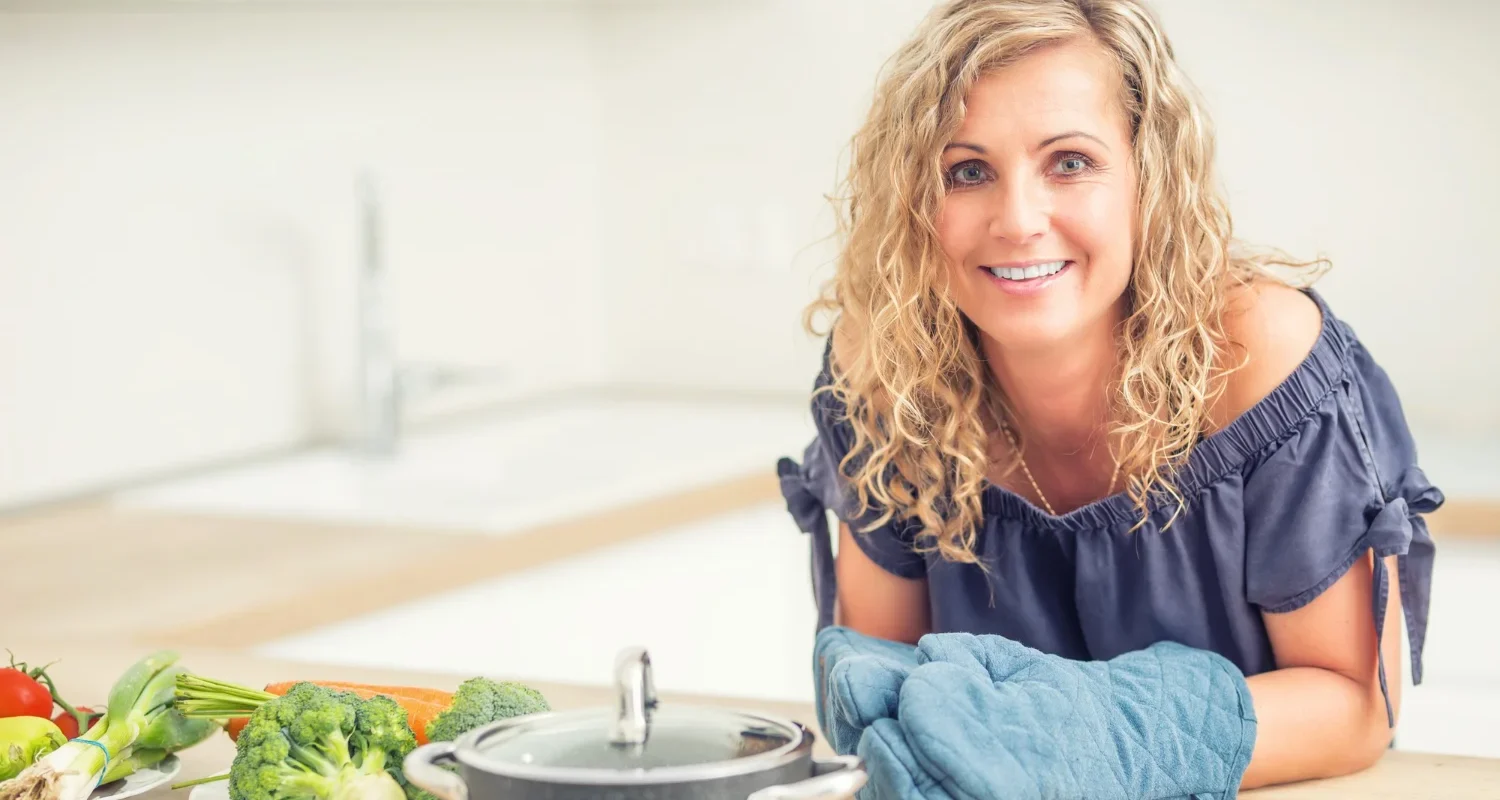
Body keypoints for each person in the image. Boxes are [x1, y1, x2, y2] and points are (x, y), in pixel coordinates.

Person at [776, 0, 1442, 795]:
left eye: (1069, 161)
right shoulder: (883, 368)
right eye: (968, 171)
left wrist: (1095, 738)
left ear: (1146, 179)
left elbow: (1354, 706)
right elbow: (884, 690)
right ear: (918, 206)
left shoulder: (1258, 356)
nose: (1019, 220)